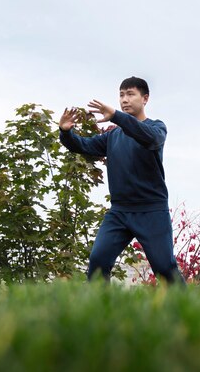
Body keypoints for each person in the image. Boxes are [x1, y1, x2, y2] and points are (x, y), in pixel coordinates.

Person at [59, 76, 184, 284]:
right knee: (98, 262)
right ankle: (102, 311)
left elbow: (149, 138)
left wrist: (116, 116)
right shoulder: (113, 136)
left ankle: (187, 312)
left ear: (145, 99)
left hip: (151, 211)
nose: (124, 99)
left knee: (164, 268)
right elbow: (84, 146)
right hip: (119, 212)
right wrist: (66, 132)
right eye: (121, 95)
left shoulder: (156, 128)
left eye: (130, 94)